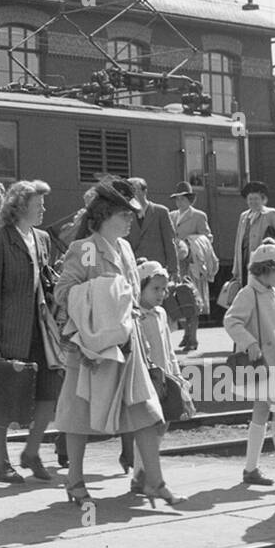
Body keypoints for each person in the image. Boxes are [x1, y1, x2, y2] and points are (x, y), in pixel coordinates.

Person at [53, 179, 174, 507]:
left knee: (146, 411)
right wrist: (103, 293)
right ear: (105, 215)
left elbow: (131, 299)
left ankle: (154, 479)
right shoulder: (87, 248)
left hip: (126, 346)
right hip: (91, 349)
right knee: (79, 414)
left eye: (131, 215)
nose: (130, 220)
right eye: (124, 214)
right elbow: (64, 292)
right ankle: (75, 480)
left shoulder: (125, 249)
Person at [0, 179, 62, 483]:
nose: (43, 209)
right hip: (10, 328)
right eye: (39, 204)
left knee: (50, 390)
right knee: (4, 396)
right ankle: (1, 462)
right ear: (21, 206)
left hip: (41, 328)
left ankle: (32, 450)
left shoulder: (42, 239)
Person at [224, 241, 275, 486]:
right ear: (266, 269)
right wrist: (249, 342)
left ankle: (251, 469)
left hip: (272, 364)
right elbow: (232, 321)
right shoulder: (248, 294)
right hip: (265, 365)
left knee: (261, 414)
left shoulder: (271, 293)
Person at [130, 260, 195, 500]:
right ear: (141, 287)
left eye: (163, 289)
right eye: (155, 289)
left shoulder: (161, 313)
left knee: (163, 424)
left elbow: (168, 349)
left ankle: (142, 473)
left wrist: (177, 375)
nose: (161, 294)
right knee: (148, 425)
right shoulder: (135, 315)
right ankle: (141, 475)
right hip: (145, 378)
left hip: (164, 378)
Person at [168, 183, 215, 352]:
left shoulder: (198, 216)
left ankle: (192, 337)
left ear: (189, 200)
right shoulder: (171, 215)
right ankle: (186, 334)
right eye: (177, 199)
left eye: (182, 199)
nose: (179, 202)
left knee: (192, 300)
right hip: (176, 264)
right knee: (179, 299)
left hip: (192, 263)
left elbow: (207, 237)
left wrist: (190, 242)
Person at [231, 181, 275, 301]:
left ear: (263, 200)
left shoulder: (271, 214)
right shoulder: (244, 217)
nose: (253, 202)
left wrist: (272, 244)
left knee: (264, 296)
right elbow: (238, 243)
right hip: (246, 263)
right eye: (250, 199)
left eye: (256, 199)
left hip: (264, 265)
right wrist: (236, 269)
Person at [125, 178, 179, 279]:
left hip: (157, 270)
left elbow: (169, 242)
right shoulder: (126, 215)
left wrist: (174, 270)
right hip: (134, 270)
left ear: (145, 191)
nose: (131, 194)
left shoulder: (161, 212)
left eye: (134, 190)